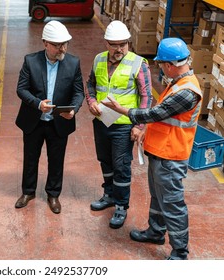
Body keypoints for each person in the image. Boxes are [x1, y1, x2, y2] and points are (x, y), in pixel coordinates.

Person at [101, 37, 202, 260]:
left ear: (170, 65)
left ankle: (180, 251)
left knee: (172, 203)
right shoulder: (177, 83)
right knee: (158, 198)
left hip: (171, 157)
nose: (162, 69)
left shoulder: (187, 91)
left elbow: (154, 113)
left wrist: (122, 110)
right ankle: (156, 232)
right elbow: (162, 117)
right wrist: (146, 131)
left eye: (162, 65)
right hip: (160, 152)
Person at [85, 20, 152, 228]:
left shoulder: (138, 63)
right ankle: (109, 195)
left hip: (124, 125)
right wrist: (92, 102)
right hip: (102, 122)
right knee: (104, 160)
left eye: (123, 44)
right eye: (114, 44)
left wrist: (139, 126)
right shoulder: (98, 60)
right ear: (106, 43)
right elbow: (90, 84)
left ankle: (121, 205)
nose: (119, 49)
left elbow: (146, 97)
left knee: (121, 166)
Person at [15, 20, 85, 214]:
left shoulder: (73, 63)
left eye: (64, 44)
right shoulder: (31, 61)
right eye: (56, 45)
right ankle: (28, 192)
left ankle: (53, 194)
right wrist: (38, 104)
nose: (61, 49)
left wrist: (73, 110)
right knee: (30, 158)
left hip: (59, 122)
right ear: (45, 43)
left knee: (56, 159)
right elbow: (21, 89)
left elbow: (79, 92)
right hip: (34, 121)